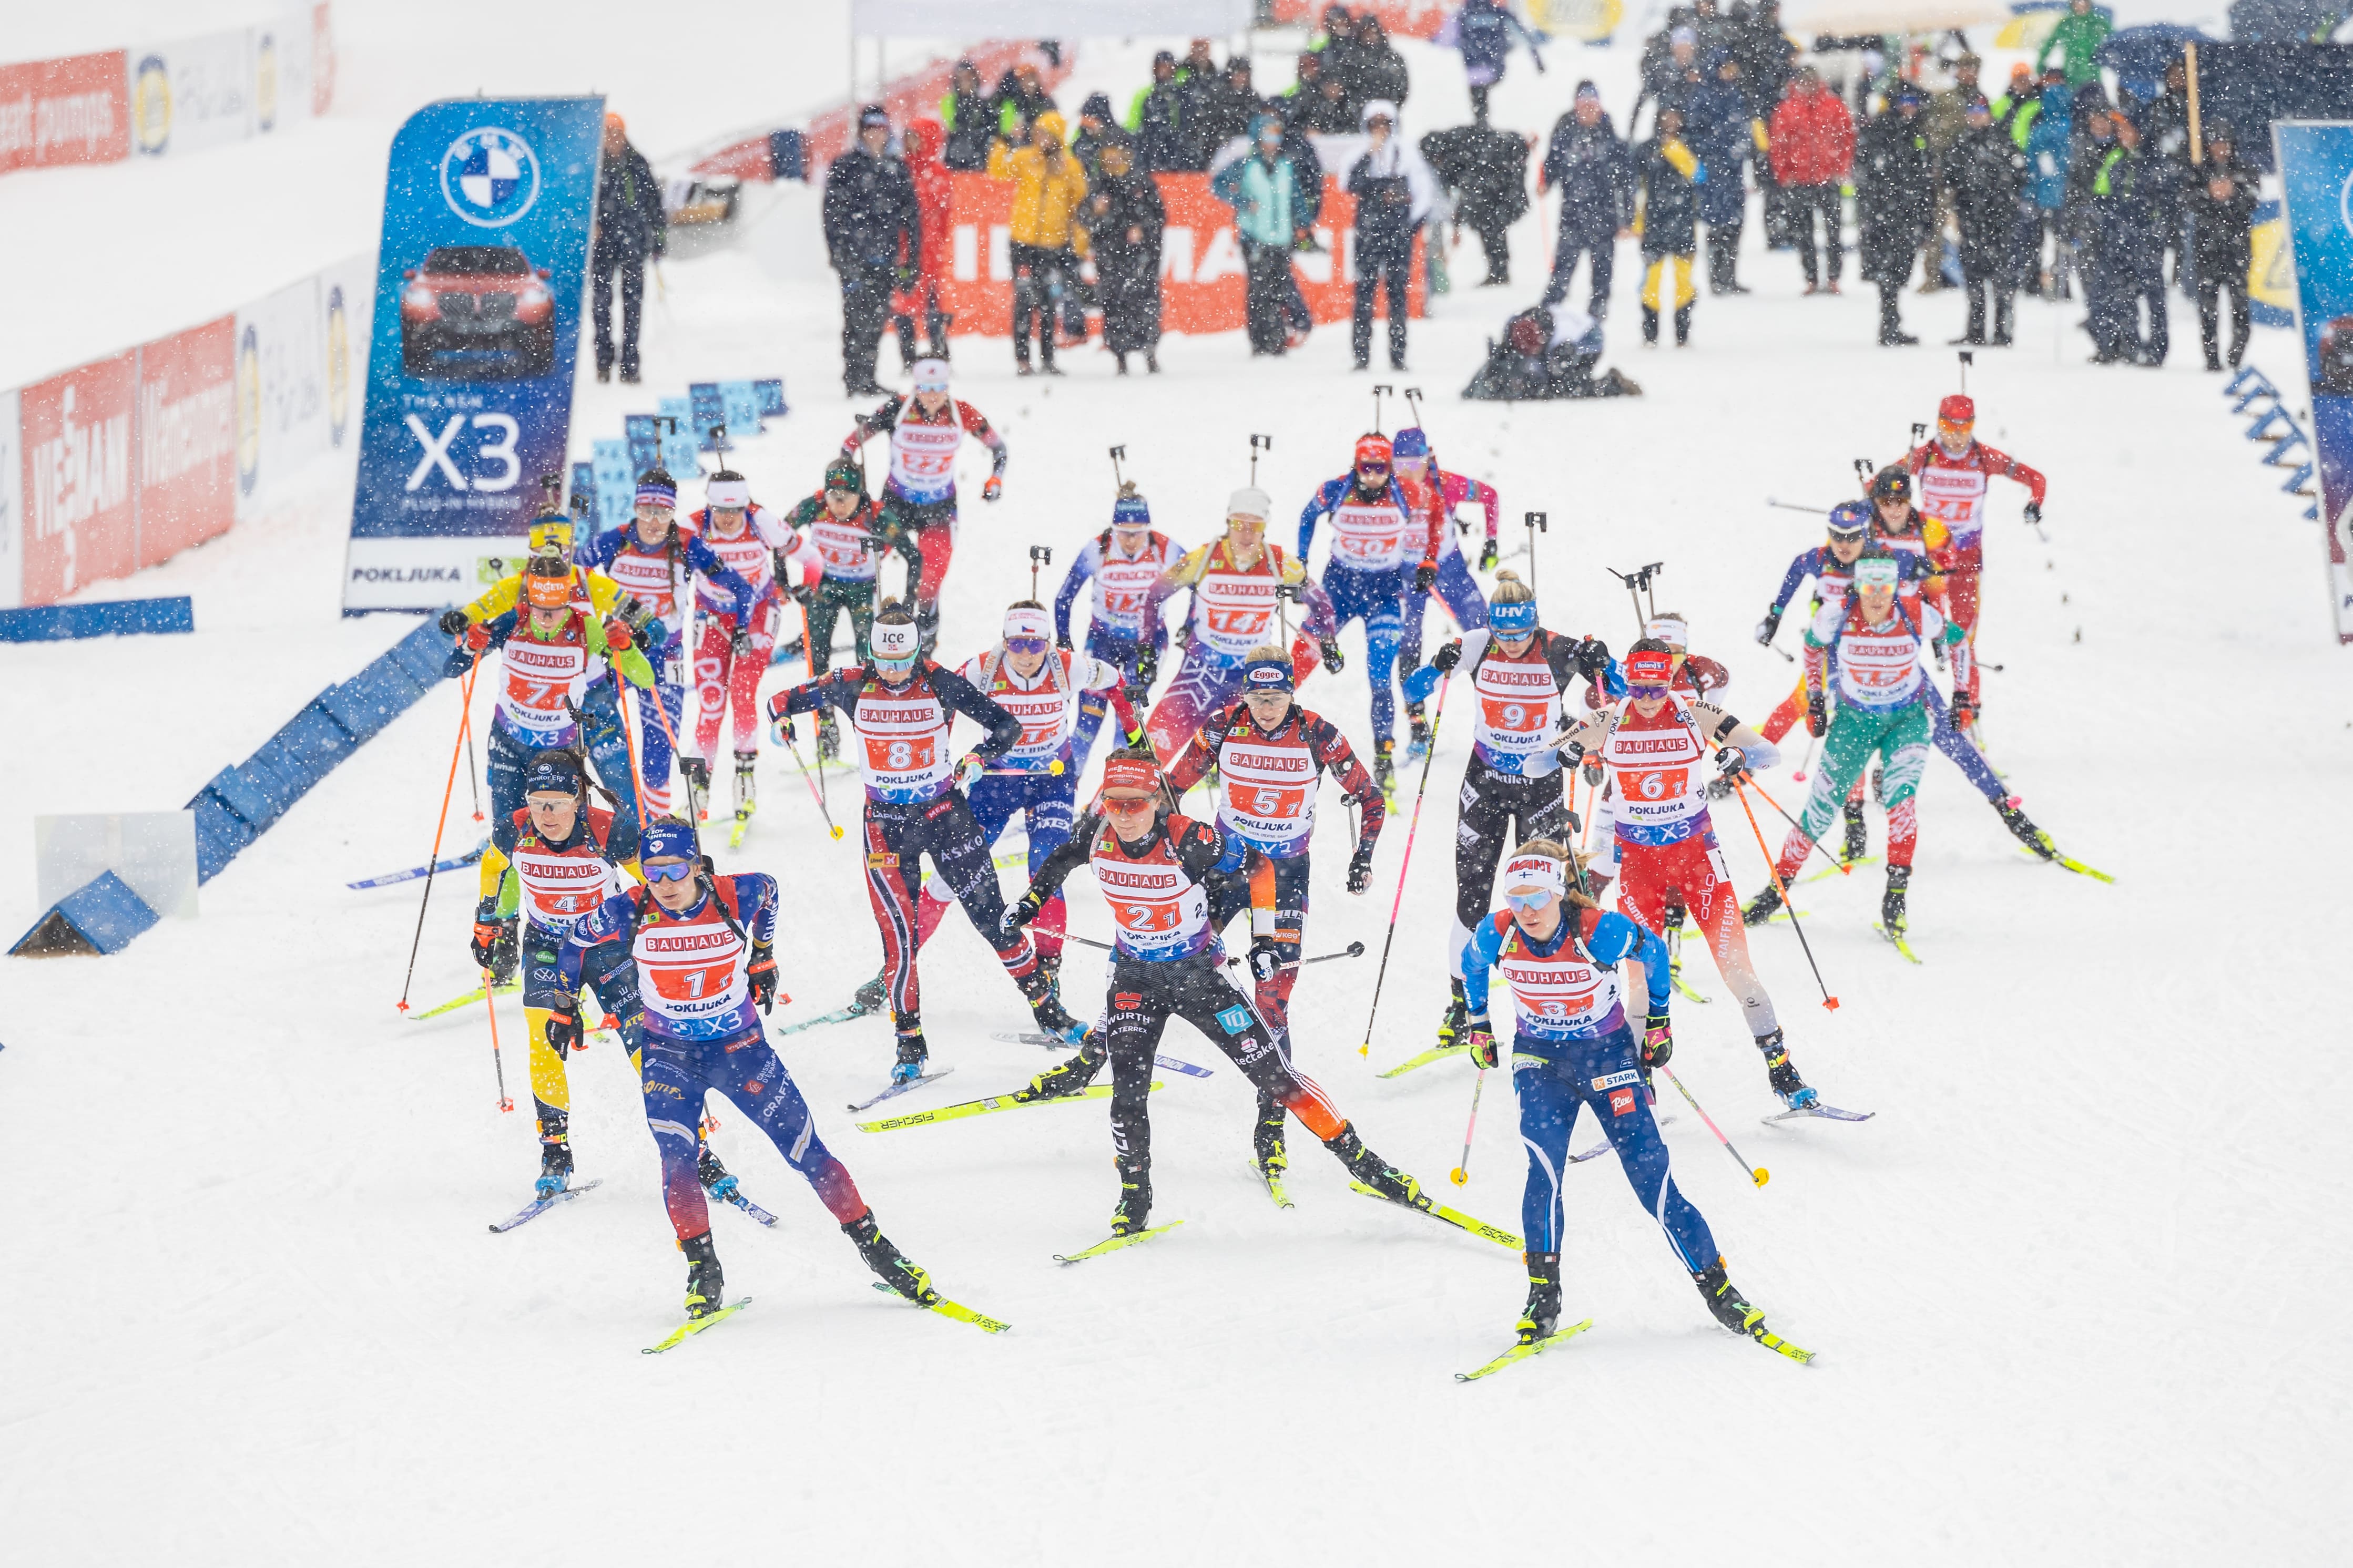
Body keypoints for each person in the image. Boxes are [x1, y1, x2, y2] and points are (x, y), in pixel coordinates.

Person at [1005, 749, 1431, 1238]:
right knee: (1127, 1093)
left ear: (1155, 801)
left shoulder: (1187, 837)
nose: (1122, 815)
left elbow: (1260, 868)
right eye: (1113, 802)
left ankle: (1363, 1162)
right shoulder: (1095, 833)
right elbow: (1059, 860)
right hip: (1135, 979)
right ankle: (1134, 1193)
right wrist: (1030, 902)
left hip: (1199, 977)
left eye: (1134, 804)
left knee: (1276, 1077)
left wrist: (1265, 940)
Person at [558, 817, 950, 1325]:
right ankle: (704, 1271)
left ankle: (876, 1247)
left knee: (806, 1150)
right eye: (653, 873)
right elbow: (572, 941)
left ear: (696, 866)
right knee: (678, 1159)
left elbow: (771, 892)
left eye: (677, 869)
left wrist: (762, 957)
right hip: (669, 1056)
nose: (666, 884)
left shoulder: (733, 895)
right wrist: (564, 1004)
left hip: (741, 1051)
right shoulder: (629, 910)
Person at [1456, 839, 1792, 1354]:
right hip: (1540, 1061)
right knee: (1542, 1170)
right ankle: (1541, 1298)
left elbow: (1653, 951)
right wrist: (1477, 1024)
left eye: (1537, 897)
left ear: (1559, 891)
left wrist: (1657, 1020)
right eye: (1515, 897)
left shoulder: (1598, 929)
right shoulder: (1498, 931)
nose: (1525, 910)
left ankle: (1719, 1291)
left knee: (1651, 1179)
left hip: (1606, 1058)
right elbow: (1469, 961)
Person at [766, 602, 1088, 1082]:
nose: (894, 674)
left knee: (994, 922)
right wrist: (782, 724)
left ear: (918, 652)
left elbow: (1007, 726)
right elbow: (779, 701)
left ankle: (1050, 1011)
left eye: (903, 663)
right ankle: (909, 1043)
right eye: (884, 662)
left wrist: (979, 755)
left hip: (944, 815)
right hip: (884, 826)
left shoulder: (939, 680)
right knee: (900, 943)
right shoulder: (850, 681)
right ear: (871, 654)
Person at [1159, 648, 1386, 1181]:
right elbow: (1171, 789)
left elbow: (1369, 797)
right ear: (1244, 695)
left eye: (1276, 696)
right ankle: (1126, 1038)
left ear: (1291, 693)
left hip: (1282, 877)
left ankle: (1270, 1124)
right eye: (1257, 697)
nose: (1265, 707)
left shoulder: (1316, 732)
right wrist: (1172, 836)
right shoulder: (1221, 727)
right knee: (1170, 955)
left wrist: (1363, 857)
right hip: (1227, 865)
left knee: (1272, 1004)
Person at [1560, 639, 1816, 1106]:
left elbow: (1768, 753)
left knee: (1737, 971)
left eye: (1657, 687)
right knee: (1638, 983)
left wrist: (1741, 757)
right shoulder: (1610, 719)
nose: (1649, 698)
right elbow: (1546, 756)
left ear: (1669, 679)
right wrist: (1567, 752)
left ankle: (1782, 1070)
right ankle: (1641, 1084)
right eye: (1638, 687)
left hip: (1698, 860)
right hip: (1639, 869)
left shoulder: (1694, 712)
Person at [1399, 572, 1614, 1042]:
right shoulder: (1477, 644)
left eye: (1520, 635)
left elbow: (1616, 696)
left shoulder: (1558, 648)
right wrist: (1438, 664)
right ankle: (1460, 1006)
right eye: (1504, 634)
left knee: (1546, 897)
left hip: (1541, 789)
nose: (1512, 644)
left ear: (1534, 625)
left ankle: (1564, 996)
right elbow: (1414, 691)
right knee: (1471, 898)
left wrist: (1605, 663)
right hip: (1485, 785)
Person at [908, 602, 1140, 988]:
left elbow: (1116, 682)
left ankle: (1048, 966)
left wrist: (1133, 735)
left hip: (1051, 780)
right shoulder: (980, 668)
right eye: (1017, 644)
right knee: (953, 873)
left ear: (1048, 644)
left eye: (1035, 645)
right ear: (1004, 641)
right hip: (995, 783)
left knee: (1045, 865)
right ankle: (903, 960)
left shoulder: (1069, 666)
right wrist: (942, 757)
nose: (1027, 655)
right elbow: (940, 699)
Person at [1743, 548, 1967, 941]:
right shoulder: (1837, 613)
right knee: (1818, 812)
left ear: (1895, 587)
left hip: (1906, 723)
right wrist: (1814, 698)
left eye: (1885, 589)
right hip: (1854, 722)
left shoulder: (1915, 611)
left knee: (1902, 806)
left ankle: (1894, 898)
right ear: (1857, 586)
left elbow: (1958, 640)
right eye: (1868, 588)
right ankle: (1776, 892)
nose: (1877, 598)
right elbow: (1813, 648)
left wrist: (1962, 695)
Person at [473, 748, 661, 1199]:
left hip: (606, 947)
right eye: (537, 802)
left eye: (556, 802)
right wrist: (487, 920)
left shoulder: (608, 829)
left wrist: (651, 924)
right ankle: (555, 1150)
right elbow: (492, 864)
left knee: (644, 1045)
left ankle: (696, 1149)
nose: (546, 814)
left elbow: (653, 882)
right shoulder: (515, 828)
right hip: (547, 947)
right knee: (543, 1040)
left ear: (577, 798)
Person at [576, 469, 755, 820]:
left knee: (658, 751)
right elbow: (570, 578)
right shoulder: (614, 541)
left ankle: (655, 826)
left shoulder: (688, 546)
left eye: (663, 513)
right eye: (646, 511)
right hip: (614, 655)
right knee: (588, 734)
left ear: (673, 513)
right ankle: (584, 816)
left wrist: (742, 629)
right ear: (635, 508)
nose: (654, 522)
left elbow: (742, 588)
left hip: (664, 657)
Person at [445, 556, 658, 834]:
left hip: (559, 749)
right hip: (509, 742)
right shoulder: (513, 621)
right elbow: (452, 668)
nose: (547, 618)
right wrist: (470, 647)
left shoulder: (587, 628)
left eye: (556, 609)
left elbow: (646, 678)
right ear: (529, 599)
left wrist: (627, 647)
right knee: (506, 835)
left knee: (562, 837)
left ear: (568, 600)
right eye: (540, 608)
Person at [1137, 488, 1338, 764]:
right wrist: (1146, 649)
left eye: (1254, 527)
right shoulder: (1205, 558)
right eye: (1238, 525)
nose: (1246, 534)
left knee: (1253, 763)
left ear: (1264, 528)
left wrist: (1328, 643)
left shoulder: (1280, 563)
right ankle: (1102, 808)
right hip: (1200, 672)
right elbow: (1153, 596)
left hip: (1252, 679)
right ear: (1228, 524)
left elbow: (1322, 604)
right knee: (1151, 752)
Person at [1298, 433, 1441, 787]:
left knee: (1379, 677)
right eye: (1366, 467)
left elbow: (1434, 519)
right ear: (1356, 465)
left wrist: (1427, 562)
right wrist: (1300, 562)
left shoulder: (1408, 493)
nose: (1372, 475)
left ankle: (1383, 755)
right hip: (1339, 589)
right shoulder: (1336, 489)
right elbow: (1307, 516)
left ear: (1389, 467)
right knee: (1303, 652)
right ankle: (1250, 724)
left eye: (1380, 468)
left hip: (1384, 592)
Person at [841, 357, 1006, 654]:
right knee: (868, 564)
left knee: (931, 576)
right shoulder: (898, 408)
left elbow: (999, 448)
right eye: (926, 388)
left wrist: (996, 480)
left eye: (940, 388)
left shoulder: (962, 412)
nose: (933, 395)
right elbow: (850, 444)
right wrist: (850, 481)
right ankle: (865, 624)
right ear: (916, 388)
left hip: (939, 508)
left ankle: (926, 643)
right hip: (896, 503)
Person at [686, 469, 822, 824]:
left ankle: (744, 780)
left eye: (735, 510)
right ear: (709, 505)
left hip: (759, 612)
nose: (728, 519)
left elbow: (812, 558)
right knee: (711, 702)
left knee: (743, 692)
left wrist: (807, 587)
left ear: (747, 505)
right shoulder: (691, 527)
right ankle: (699, 788)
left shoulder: (761, 521)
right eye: (720, 510)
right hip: (713, 615)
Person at [1903, 394, 2045, 729]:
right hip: (1930, 565)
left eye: (1964, 428)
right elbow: (1882, 485)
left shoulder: (1984, 458)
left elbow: (2036, 479)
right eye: (1948, 427)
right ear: (1938, 423)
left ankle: (1969, 706)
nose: (1956, 435)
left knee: (1965, 637)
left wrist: (2035, 504)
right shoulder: (1923, 456)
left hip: (1967, 564)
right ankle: (1906, 701)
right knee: (1919, 630)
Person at [1054, 484, 1179, 778]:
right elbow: (1064, 598)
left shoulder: (1164, 548)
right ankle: (1065, 795)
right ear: (1114, 529)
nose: (1132, 540)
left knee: (1128, 726)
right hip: (1103, 643)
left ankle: (1117, 793)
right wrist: (1064, 641)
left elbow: (1200, 580)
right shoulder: (1098, 548)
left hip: (1146, 646)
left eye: (1139, 533)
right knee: (1087, 724)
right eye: (1124, 533)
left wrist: (1191, 626)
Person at [1390, 425, 1500, 737]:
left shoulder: (1445, 484)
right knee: (1409, 641)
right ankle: (1416, 721)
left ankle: (1504, 700)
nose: (1408, 473)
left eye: (1415, 464)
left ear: (1428, 459)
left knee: (1485, 632)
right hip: (1407, 574)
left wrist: (1491, 541)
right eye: (1400, 466)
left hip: (1448, 567)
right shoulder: (1389, 491)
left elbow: (1489, 496)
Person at [780, 459, 888, 761]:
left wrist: (906, 603)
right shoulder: (814, 505)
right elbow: (779, 536)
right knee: (819, 660)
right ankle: (827, 740)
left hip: (864, 589)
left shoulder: (875, 513)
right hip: (826, 586)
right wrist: (787, 583)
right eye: (833, 497)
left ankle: (872, 737)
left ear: (860, 494)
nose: (839, 506)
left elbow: (913, 555)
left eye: (847, 498)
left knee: (867, 662)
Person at [823, 106, 919, 397]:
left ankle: (868, 376)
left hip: (885, 256)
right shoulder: (846, 166)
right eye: (870, 130)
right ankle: (854, 378)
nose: (876, 136)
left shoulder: (896, 167)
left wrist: (911, 260)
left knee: (877, 318)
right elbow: (831, 216)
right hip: (855, 256)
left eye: (880, 130)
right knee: (855, 318)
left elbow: (911, 218)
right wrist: (840, 255)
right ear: (862, 132)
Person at [987, 111, 1088, 376]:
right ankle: (1022, 359)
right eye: (1038, 133)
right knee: (1023, 299)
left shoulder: (1070, 166)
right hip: (1022, 242)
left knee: (1047, 302)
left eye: (1046, 134)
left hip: (1053, 244)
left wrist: (1078, 242)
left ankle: (1048, 358)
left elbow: (1078, 206)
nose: (1040, 138)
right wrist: (1003, 142)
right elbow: (997, 171)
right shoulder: (1026, 158)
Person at [1213, 114, 1311, 357]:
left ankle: (1277, 339)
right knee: (1258, 292)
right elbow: (1218, 184)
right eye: (1268, 133)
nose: (1273, 140)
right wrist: (1243, 202)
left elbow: (1296, 198)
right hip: (1255, 236)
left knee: (1279, 290)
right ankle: (1259, 341)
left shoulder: (1286, 165)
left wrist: (1303, 223)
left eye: (1276, 134)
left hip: (1282, 237)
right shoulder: (1246, 165)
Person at [1541, 84, 1635, 318]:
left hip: (1604, 217)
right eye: (1583, 106)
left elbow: (1627, 185)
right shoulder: (1565, 136)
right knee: (1562, 271)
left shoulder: (1613, 142)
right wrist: (1546, 182)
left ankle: (1597, 314)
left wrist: (1627, 221)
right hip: (1572, 216)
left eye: (1592, 106)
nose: (1588, 111)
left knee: (1602, 273)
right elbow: (1551, 163)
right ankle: (1547, 314)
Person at [1348, 101, 1426, 372]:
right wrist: (1371, 154)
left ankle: (1398, 355)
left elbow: (1422, 193)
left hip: (1397, 232)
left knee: (1397, 295)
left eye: (1385, 124)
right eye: (1375, 125)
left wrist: (1409, 226)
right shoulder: (1359, 151)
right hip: (1369, 232)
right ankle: (1361, 355)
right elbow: (1350, 183)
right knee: (1364, 293)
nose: (1380, 130)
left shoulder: (1407, 153)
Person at [1080, 131, 1166, 374]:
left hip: (1142, 257)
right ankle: (1121, 357)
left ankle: (1150, 352)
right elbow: (1085, 219)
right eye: (1109, 155)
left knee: (1145, 304)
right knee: (1114, 305)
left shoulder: (1142, 182)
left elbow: (1159, 216)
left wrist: (1143, 229)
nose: (1114, 160)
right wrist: (1098, 214)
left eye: (1119, 154)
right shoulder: (1098, 185)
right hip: (1110, 257)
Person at [1945, 95, 2028, 345]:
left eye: (1981, 111)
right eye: (1972, 110)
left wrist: (2008, 203)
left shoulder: (2003, 142)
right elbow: (1951, 178)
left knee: (2003, 282)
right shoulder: (1961, 143)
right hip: (1971, 221)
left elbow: (2019, 176)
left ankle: (2004, 332)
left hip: (2000, 222)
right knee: (1974, 280)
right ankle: (1976, 331)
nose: (1976, 115)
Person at [590, 114, 664, 385]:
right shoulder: (594, 165)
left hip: (632, 241)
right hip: (602, 245)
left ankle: (630, 362)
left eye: (616, 133)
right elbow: (581, 204)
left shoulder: (637, 164)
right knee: (601, 304)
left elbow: (654, 204)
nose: (612, 138)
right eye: (608, 133)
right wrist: (591, 226)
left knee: (633, 304)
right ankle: (603, 359)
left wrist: (658, 238)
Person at [1857, 85, 1932, 345]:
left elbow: (1924, 180)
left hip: (1907, 214)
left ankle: (1892, 320)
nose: (1909, 107)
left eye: (1913, 101)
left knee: (1900, 270)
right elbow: (1867, 175)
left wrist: (1925, 218)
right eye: (1905, 101)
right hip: (1886, 214)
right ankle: (1889, 322)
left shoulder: (1918, 132)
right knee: (1888, 271)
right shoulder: (1880, 131)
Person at [1769, 66, 1855, 295]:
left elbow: (1846, 138)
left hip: (1827, 179)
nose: (1808, 86)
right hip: (1800, 180)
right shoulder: (1787, 109)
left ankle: (1834, 277)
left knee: (1833, 231)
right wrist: (1784, 174)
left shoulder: (1833, 106)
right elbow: (1779, 145)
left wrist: (1841, 167)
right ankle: (1811, 277)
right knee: (1803, 232)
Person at [1421, 114, 1531, 287]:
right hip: (1499, 187)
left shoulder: (1453, 152)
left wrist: (1458, 220)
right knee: (1491, 227)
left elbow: (1462, 186)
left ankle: (1499, 272)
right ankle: (1499, 271)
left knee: (1491, 227)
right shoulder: (1458, 142)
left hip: (1499, 189)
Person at [2187, 123, 2258, 371]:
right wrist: (2209, 195)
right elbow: (2189, 200)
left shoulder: (2245, 170)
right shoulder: (2199, 171)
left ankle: (2237, 351)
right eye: (2216, 143)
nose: (2220, 149)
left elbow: (2252, 201)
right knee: (2208, 309)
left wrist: (2233, 193)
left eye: (2224, 143)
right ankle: (2211, 356)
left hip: (2237, 251)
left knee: (2240, 307)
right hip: (2207, 251)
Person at [1687, 54, 1757, 294]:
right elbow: (1696, 133)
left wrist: (1742, 148)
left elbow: (1743, 128)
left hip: (1733, 173)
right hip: (1715, 173)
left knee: (1735, 225)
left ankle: (1729, 276)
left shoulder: (1734, 94)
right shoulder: (1703, 95)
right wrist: (1719, 152)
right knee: (1717, 226)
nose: (1732, 72)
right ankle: (1717, 278)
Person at [1635, 106, 1703, 346]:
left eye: (1676, 118)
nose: (1671, 123)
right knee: (1650, 285)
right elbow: (1635, 184)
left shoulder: (1690, 146)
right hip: (1655, 224)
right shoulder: (1646, 149)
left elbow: (1700, 176)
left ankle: (1682, 333)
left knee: (1684, 283)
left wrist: (1676, 151)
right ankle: (1650, 334)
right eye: (1667, 119)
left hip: (1683, 223)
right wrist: (1637, 221)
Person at [892, 120, 955, 371]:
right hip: (904, 246)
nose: (911, 143)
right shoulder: (902, 169)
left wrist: (934, 242)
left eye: (915, 137)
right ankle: (908, 358)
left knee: (931, 302)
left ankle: (939, 354)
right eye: (908, 137)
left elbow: (943, 217)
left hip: (928, 248)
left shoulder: (938, 174)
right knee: (904, 303)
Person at [1440, 0, 1545, 123]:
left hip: (1473, 68)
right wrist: (1537, 60)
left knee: (1479, 97)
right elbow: (1523, 36)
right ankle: (1483, 126)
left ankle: (1480, 125)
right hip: (1495, 67)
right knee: (1485, 95)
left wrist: (1465, 45)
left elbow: (1445, 41)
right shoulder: (1499, 12)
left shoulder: (1463, 13)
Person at [2023, 68, 2075, 298]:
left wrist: (2030, 192)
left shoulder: (2040, 130)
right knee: (2062, 242)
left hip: (2044, 194)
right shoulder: (2071, 127)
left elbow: (2032, 165)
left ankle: (2041, 281)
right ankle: (2061, 282)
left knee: (2041, 242)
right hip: (2064, 194)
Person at [1127, 49, 1188, 171]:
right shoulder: (1144, 94)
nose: (1164, 71)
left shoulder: (1182, 92)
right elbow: (1133, 124)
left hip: (1179, 153)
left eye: (1168, 67)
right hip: (1151, 152)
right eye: (1161, 67)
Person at [2037, 0, 2112, 97]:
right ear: (2072, 4)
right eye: (2078, 2)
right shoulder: (2066, 24)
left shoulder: (2098, 23)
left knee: (2094, 103)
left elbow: (2114, 39)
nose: (2081, 6)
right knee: (2074, 103)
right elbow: (2049, 44)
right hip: (2072, 73)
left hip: (2093, 72)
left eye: (2084, 2)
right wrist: (2040, 64)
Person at [1343, 16, 1411, 111]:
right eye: (1366, 33)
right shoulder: (1351, 58)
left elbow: (1402, 89)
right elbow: (1347, 88)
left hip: (1386, 114)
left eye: (1373, 32)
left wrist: (1387, 108)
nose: (1369, 36)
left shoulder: (1393, 58)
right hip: (1357, 115)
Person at [940, 60, 995, 171]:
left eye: (968, 78)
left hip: (980, 163)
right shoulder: (950, 105)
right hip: (957, 164)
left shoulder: (985, 105)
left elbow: (991, 133)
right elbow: (952, 131)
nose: (965, 82)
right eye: (961, 79)